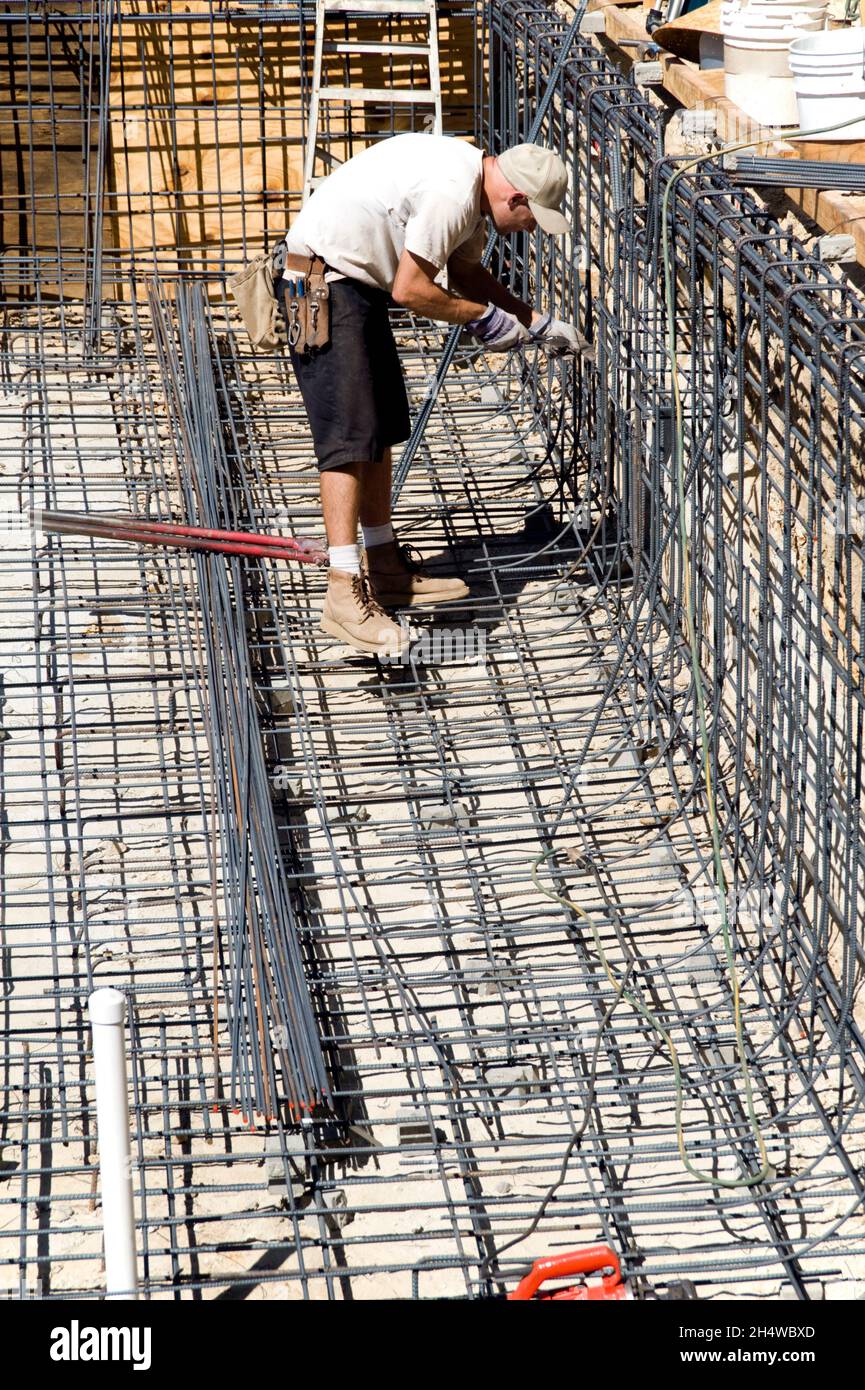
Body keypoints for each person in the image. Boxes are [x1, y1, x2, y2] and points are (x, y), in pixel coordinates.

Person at [277, 133, 584, 656]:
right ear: (515, 199)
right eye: (533, 218)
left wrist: (535, 321)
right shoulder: (452, 190)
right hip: (324, 281)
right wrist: (484, 320)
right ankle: (343, 592)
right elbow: (411, 290)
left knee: (380, 428)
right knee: (348, 439)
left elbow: (464, 270)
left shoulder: (470, 187)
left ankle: (385, 567)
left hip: (356, 282)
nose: (531, 228)